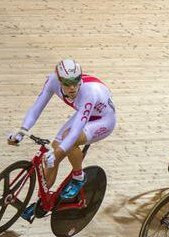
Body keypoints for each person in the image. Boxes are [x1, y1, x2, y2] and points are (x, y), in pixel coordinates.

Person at [8, 59, 116, 222]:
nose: (72, 87)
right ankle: (43, 203)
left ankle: (79, 177)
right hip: (85, 114)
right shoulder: (52, 81)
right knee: (54, 155)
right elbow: (37, 108)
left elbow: (75, 132)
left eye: (75, 82)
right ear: (59, 80)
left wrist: (59, 150)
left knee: (67, 141)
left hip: (103, 120)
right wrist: (23, 130)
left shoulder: (88, 92)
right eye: (67, 83)